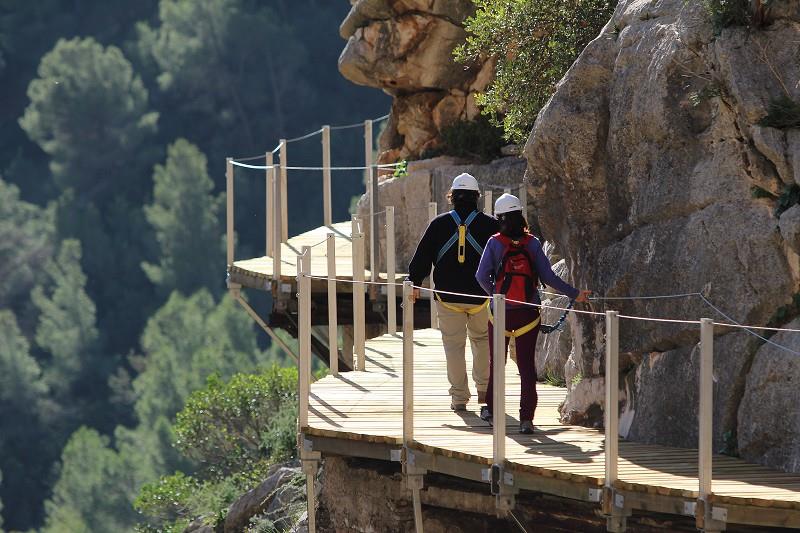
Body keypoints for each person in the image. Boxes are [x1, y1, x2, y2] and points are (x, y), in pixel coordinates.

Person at [475, 193, 589, 434]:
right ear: (521, 215)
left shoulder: (495, 243)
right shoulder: (533, 243)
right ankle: (526, 419)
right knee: (526, 367)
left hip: (500, 313)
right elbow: (548, 277)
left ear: (499, 217)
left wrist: (496, 294)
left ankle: (494, 414)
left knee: (497, 364)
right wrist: (574, 293)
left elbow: (480, 276)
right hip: (528, 313)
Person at [407, 173, 499, 411]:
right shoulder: (491, 225)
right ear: (476, 197)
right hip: (481, 296)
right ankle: (484, 391)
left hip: (447, 297)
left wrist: (415, 281)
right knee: (481, 341)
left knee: (453, 346)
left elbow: (423, 257)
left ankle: (459, 398)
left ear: (452, 197)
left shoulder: (438, 224)